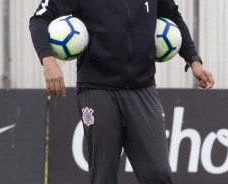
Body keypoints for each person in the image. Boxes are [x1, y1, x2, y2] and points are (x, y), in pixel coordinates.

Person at [30, 0, 214, 183]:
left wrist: (193, 60)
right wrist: (48, 61)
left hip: (143, 90)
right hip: (97, 90)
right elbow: (39, 19)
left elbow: (173, 16)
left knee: (159, 175)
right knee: (103, 177)